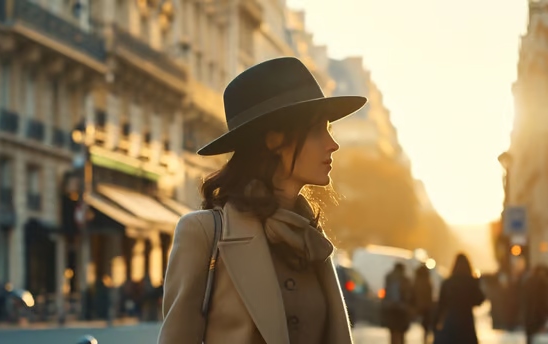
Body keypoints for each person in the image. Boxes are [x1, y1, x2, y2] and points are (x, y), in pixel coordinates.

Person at [158, 57, 368, 344]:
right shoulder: (204, 233)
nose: (333, 144)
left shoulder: (312, 239)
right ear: (274, 141)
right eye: (319, 130)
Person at [433, 254, 485, 344]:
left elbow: (441, 305)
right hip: (467, 320)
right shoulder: (471, 282)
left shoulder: (448, 282)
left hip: (451, 320)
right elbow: (479, 300)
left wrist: (435, 323)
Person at [382, 263, 413, 344]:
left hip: (392, 308)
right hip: (401, 309)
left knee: (393, 331)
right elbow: (409, 296)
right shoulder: (405, 279)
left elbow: (386, 293)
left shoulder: (389, 277)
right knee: (400, 331)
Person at [413, 264, 434, 343]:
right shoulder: (427, 280)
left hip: (419, 305)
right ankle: (426, 340)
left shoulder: (417, 280)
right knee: (426, 326)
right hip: (426, 306)